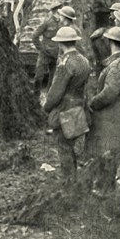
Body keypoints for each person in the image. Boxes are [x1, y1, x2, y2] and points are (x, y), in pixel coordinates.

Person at [87, 27, 120, 196]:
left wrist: (93, 103)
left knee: (107, 149)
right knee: (116, 147)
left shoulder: (115, 66)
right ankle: (110, 184)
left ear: (109, 42)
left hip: (110, 113)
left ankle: (104, 189)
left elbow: (109, 93)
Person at [43, 27, 91, 181]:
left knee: (63, 146)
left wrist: (47, 107)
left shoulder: (65, 63)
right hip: (79, 106)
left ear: (61, 44)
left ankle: (69, 183)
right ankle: (74, 179)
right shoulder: (84, 60)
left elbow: (56, 92)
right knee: (71, 145)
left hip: (65, 109)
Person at [32, 2, 62, 91]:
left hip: (56, 54)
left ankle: (49, 96)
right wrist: (42, 49)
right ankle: (36, 95)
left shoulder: (63, 23)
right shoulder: (47, 23)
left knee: (53, 78)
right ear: (56, 11)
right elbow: (34, 36)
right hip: (45, 53)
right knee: (39, 75)